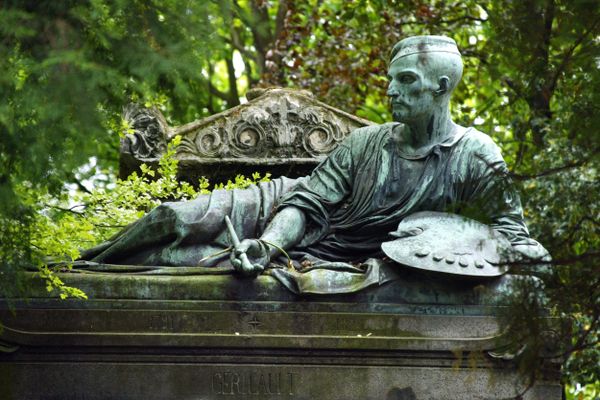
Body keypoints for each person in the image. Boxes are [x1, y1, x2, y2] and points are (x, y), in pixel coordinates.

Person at [81, 36, 547, 280]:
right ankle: (85, 264)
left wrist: (440, 253)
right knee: (169, 218)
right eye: (391, 79)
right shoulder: (367, 143)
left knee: (184, 263)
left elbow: (513, 241)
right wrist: (269, 245)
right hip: (283, 212)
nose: (390, 91)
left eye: (405, 81)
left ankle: (101, 281)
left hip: (329, 252)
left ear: (442, 88)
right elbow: (306, 203)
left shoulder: (476, 157)